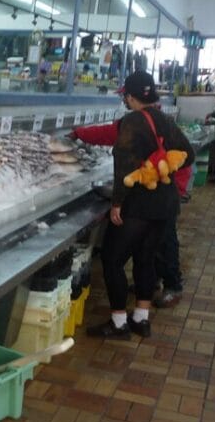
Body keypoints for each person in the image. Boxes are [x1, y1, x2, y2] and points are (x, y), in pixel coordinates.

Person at [86, 71, 194, 339]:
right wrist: (161, 168)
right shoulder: (164, 119)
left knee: (112, 260)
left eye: (125, 96)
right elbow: (188, 155)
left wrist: (117, 204)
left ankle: (119, 323)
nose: (125, 100)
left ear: (131, 97)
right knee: (146, 259)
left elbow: (123, 166)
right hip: (166, 203)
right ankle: (141, 319)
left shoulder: (131, 122)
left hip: (140, 204)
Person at [71, 100, 191, 309]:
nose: (125, 100)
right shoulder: (144, 120)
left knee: (163, 242)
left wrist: (177, 187)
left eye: (127, 96)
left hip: (163, 195)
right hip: (158, 195)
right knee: (147, 250)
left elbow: (184, 156)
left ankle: (172, 286)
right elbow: (109, 133)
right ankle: (150, 286)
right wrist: (80, 133)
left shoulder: (154, 122)